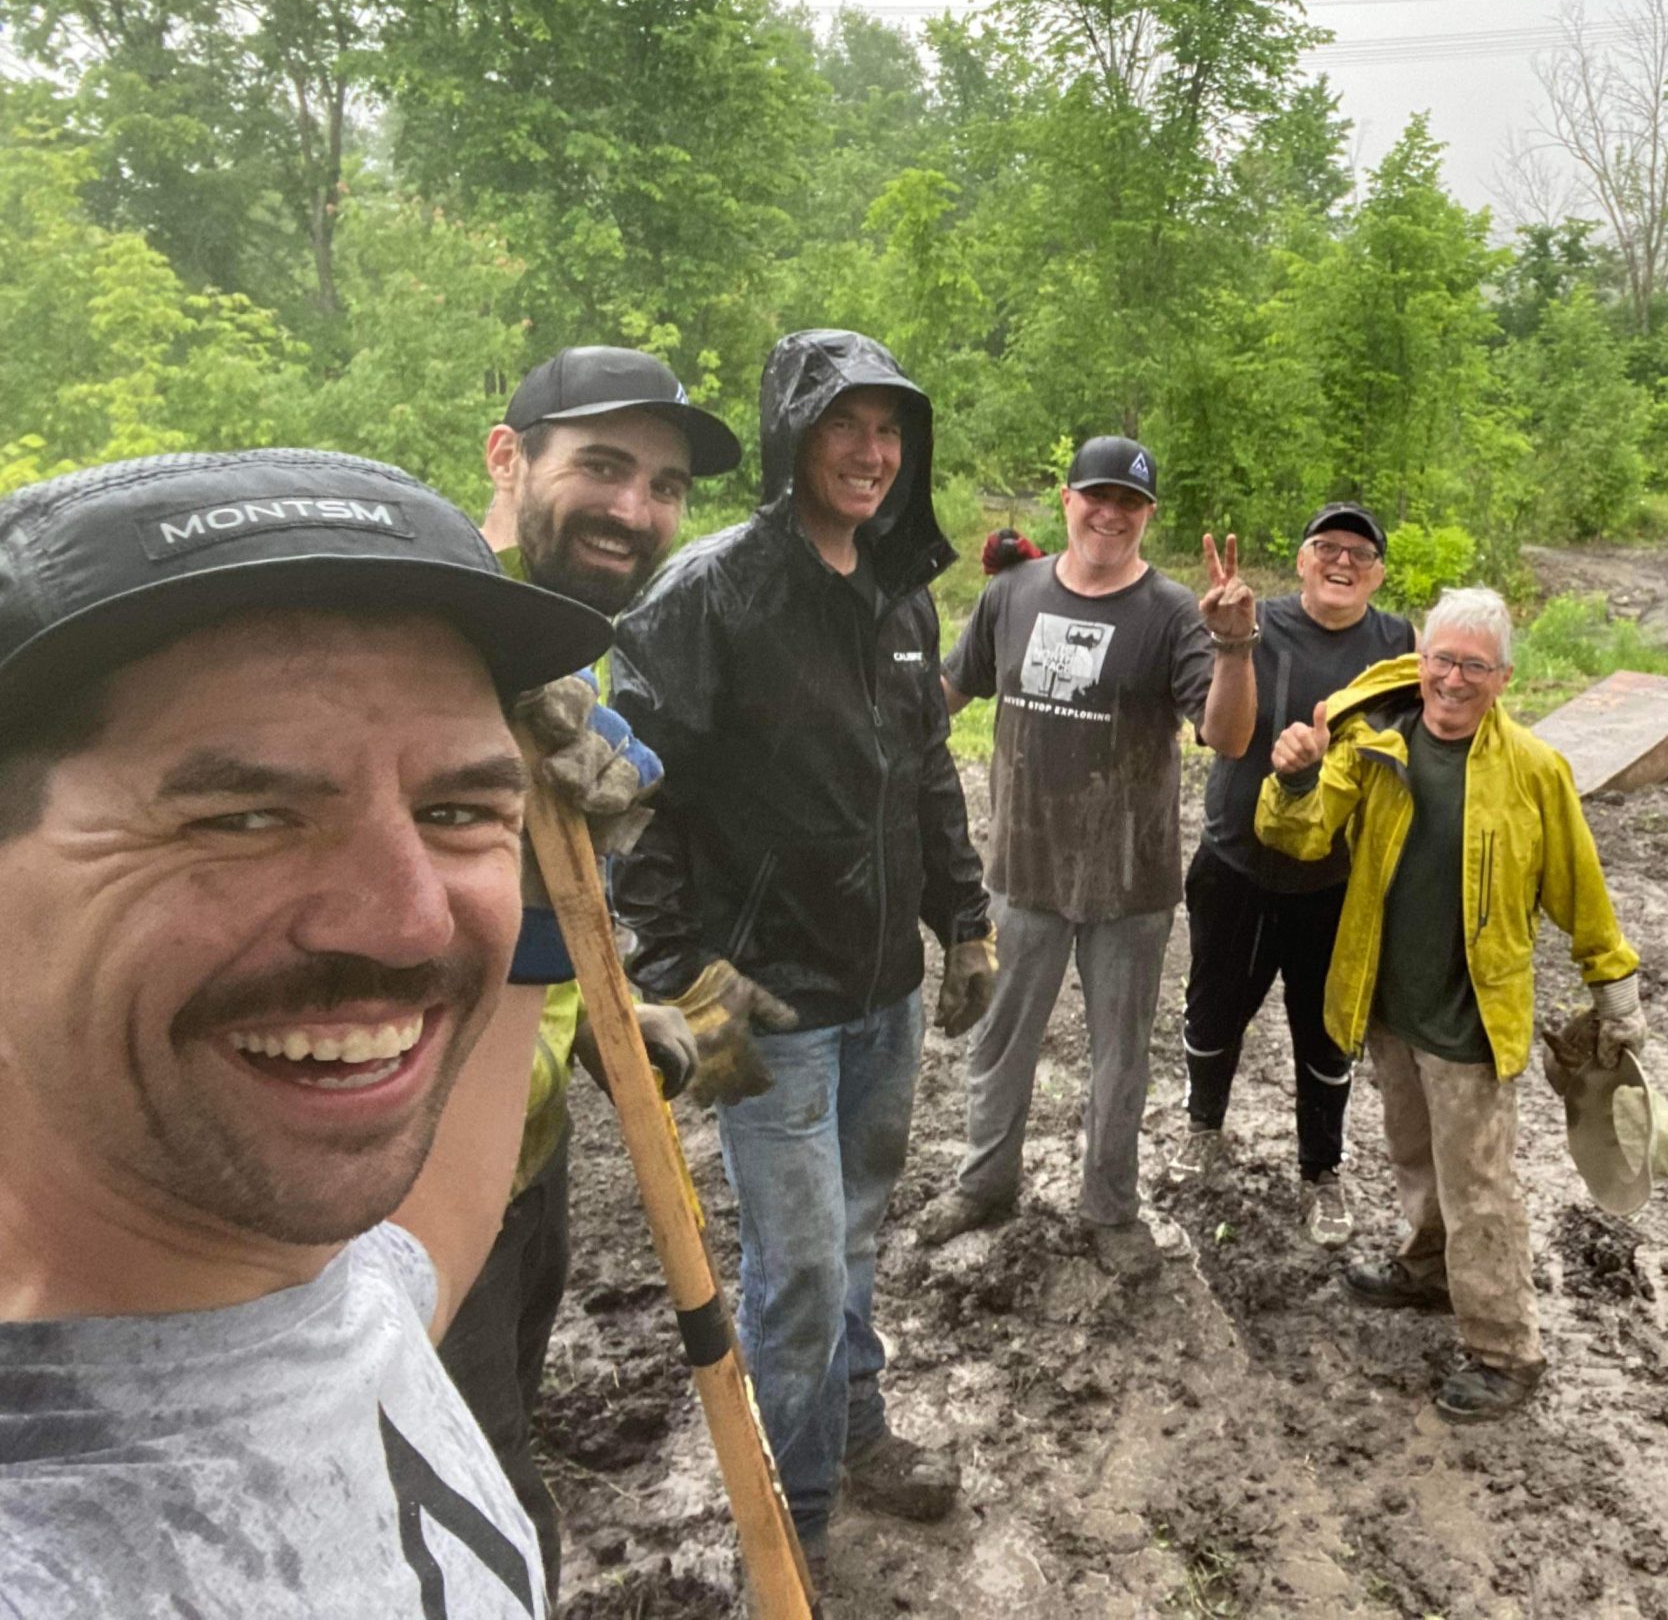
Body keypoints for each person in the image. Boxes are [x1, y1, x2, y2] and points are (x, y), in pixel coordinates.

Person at [0, 448, 616, 1614]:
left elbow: (438, 1223)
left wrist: (537, 918)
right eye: (245, 816)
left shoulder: (312, 1287)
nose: (407, 922)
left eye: (453, 812)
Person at [612, 330, 995, 1553]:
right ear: (792, 436)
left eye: (889, 433)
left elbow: (926, 768)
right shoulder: (706, 594)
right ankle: (795, 1516)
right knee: (800, 1275)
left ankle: (856, 1426)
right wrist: (677, 985)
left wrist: (967, 919)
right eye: (846, 426)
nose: (871, 454)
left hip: (885, 992)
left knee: (860, 1236)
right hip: (757, 1005)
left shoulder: (897, 591)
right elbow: (632, 811)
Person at [439, 345, 742, 1598]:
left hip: (530, 1139)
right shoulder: (430, 631)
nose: (636, 508)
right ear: (507, 456)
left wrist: (616, 1010)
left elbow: (538, 894)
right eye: (602, 466)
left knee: (512, 1411)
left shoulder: (559, 646)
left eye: (664, 484)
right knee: (480, 1489)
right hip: (416, 1174)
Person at [1256, 588, 1644, 1422]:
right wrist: (1290, 777)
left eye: (1474, 665)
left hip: (1472, 1015)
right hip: (1389, 1001)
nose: (1453, 679)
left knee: (1481, 1186)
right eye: (1442, 659)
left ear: (1503, 677)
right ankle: (1429, 1269)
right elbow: (1302, 835)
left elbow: (1581, 888)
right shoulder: (1374, 746)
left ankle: (1506, 1349)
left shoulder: (1535, 771)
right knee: (1412, 1153)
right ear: (1419, 659)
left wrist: (1614, 992)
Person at [916, 437, 1257, 1278]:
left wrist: (1237, 648)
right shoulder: (1012, 594)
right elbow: (945, 694)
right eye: (1096, 497)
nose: (1110, 514)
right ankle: (985, 1184)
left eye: (1129, 503)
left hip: (1130, 884)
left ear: (1148, 515)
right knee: (999, 1040)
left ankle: (1109, 1207)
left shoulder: (1174, 612)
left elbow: (1229, 735)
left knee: (1120, 1057)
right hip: (1022, 872)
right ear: (1066, 500)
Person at [1172, 503, 1415, 1245]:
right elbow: (1213, 727)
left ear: (1377, 573)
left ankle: (1322, 1172)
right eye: (1327, 548)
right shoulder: (1256, 620)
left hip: (1334, 881)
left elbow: (1410, 747)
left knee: (1325, 1033)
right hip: (1236, 862)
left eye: (1359, 554)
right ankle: (1202, 1127)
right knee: (1213, 1010)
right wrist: (1230, 637)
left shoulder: (1396, 643)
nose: (1342, 563)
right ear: (1304, 559)